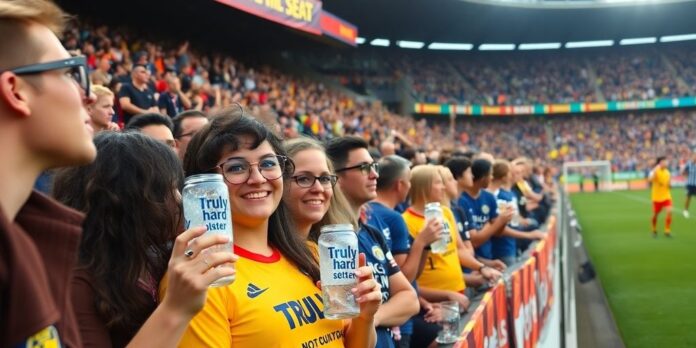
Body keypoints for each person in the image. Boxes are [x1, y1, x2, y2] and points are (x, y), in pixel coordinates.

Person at [1, 1, 225, 346]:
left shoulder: (32, 244)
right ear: (16, 91)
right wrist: (175, 309)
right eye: (70, 72)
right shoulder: (68, 270)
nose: (89, 95)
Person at [169, 111, 381, 347]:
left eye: (268, 163)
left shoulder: (312, 254)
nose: (258, 178)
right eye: (236, 168)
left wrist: (364, 317)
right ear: (206, 184)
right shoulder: (200, 277)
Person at [53, 131, 236, 347]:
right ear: (129, 202)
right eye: (169, 189)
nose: (180, 200)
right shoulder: (76, 284)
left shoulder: (156, 256)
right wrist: (176, 307)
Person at [327, 136, 419, 348]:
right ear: (336, 177)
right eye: (364, 167)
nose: (375, 174)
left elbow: (409, 299)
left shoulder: (372, 234)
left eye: (374, 166)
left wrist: (370, 318)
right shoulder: (326, 240)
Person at [402, 165, 501, 308]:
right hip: (434, 303)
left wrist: (482, 267)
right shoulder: (406, 221)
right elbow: (408, 276)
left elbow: (458, 250)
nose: (443, 187)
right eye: (438, 182)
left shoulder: (446, 212)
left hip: (460, 292)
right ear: (423, 186)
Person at [283, 137, 355, 240]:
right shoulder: (263, 252)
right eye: (304, 179)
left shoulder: (337, 248)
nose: (318, 188)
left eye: (324, 179)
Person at [457, 159, 511, 270]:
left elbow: (498, 233)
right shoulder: (461, 201)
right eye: (490, 174)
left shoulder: (489, 197)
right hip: (469, 265)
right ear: (483, 177)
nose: (492, 178)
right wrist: (499, 221)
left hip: (487, 257)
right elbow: (475, 241)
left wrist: (504, 220)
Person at [649, 156, 672, 237]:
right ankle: (654, 230)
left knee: (669, 211)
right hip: (657, 197)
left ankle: (667, 231)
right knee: (655, 214)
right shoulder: (655, 171)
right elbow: (650, 180)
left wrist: (669, 185)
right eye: (663, 162)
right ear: (659, 163)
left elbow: (669, 185)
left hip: (666, 196)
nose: (665, 163)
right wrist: (654, 174)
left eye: (666, 162)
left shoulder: (668, 173)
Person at [681, 151, 696, 218]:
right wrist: (685, 180)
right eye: (694, 155)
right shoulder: (689, 163)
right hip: (690, 184)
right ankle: (685, 210)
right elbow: (683, 172)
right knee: (688, 198)